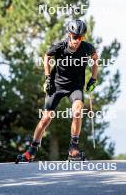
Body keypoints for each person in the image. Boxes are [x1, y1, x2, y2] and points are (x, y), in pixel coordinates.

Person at [16, 19, 98, 162]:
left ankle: (73, 148)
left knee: (78, 111)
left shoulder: (87, 48)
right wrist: (48, 78)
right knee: (46, 118)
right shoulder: (60, 46)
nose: (78, 40)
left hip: (75, 87)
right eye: (75, 37)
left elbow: (95, 59)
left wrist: (93, 78)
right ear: (69, 34)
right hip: (57, 86)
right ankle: (32, 150)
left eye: (81, 37)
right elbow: (47, 57)